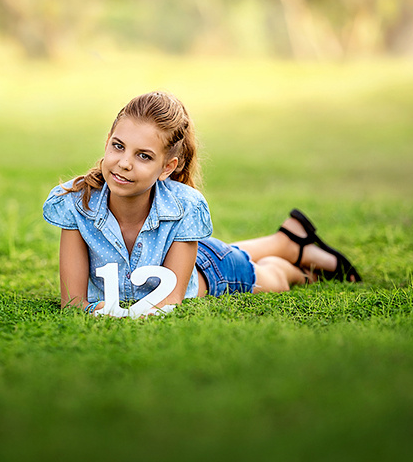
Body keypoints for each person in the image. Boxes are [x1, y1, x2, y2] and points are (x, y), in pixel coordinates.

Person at [42, 91, 361, 315]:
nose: (124, 163)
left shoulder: (184, 206)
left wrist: (118, 315)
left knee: (273, 281)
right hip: (185, 252)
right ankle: (285, 240)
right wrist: (96, 310)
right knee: (218, 249)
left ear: (167, 168)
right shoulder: (77, 203)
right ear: (107, 142)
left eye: (144, 156)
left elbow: (170, 302)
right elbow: (73, 303)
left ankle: (293, 262)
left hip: (211, 271)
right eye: (118, 146)